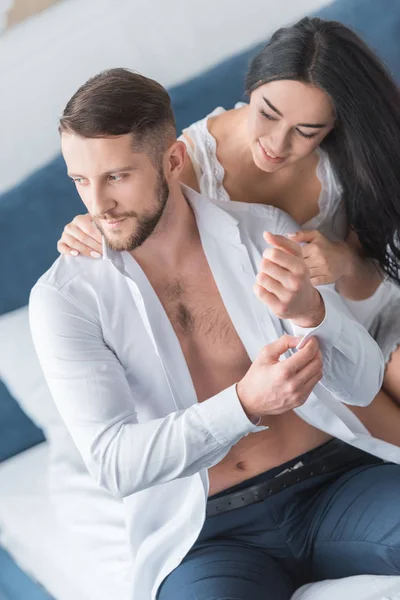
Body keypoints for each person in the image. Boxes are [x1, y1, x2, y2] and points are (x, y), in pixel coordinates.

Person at [30, 67, 400, 600]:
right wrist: (245, 402)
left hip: (335, 482)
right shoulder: (65, 299)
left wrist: (314, 311)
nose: (97, 205)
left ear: (174, 159)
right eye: (81, 181)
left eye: (117, 176)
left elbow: (363, 384)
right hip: (208, 536)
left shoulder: (259, 229)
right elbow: (113, 463)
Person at [57, 17, 400, 438]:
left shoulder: (346, 162)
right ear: (250, 88)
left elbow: (375, 283)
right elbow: (129, 216)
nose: (277, 143)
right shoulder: (184, 167)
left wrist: (343, 263)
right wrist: (89, 223)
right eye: (267, 114)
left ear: (333, 127)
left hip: (370, 318)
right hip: (305, 346)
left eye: (306, 132)